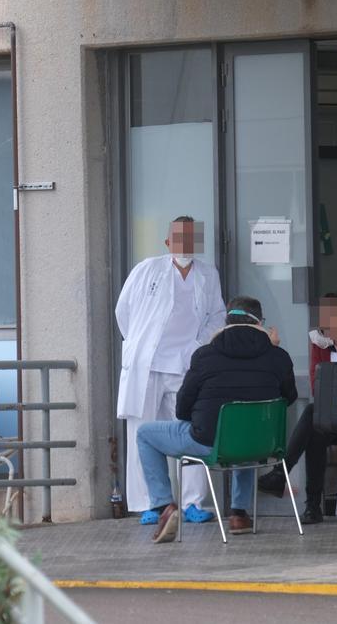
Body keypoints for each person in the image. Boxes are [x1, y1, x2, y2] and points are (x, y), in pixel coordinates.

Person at [139, 296, 298, 543]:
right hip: (260, 444)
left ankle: (163, 507)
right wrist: (274, 349)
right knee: (245, 434)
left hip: (208, 441)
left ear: (226, 321)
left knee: (145, 434)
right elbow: (290, 398)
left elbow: (182, 409)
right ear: (261, 323)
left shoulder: (204, 355)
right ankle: (239, 514)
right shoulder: (278, 357)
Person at [116, 216, 227, 525]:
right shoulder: (146, 269)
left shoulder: (208, 273)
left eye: (191, 238)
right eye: (179, 238)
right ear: (168, 242)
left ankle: (193, 503)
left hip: (186, 364)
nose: (185, 244)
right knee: (143, 432)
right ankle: (151, 504)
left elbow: (218, 315)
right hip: (147, 366)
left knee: (191, 431)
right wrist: (140, 343)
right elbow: (122, 311)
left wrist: (199, 344)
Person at [257, 292, 337, 524]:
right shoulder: (320, 345)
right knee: (316, 428)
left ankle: (284, 476)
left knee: (314, 416)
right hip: (332, 416)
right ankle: (312, 506)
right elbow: (316, 384)